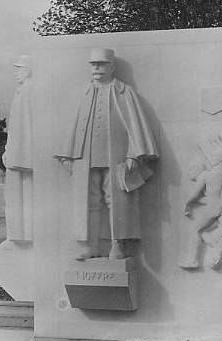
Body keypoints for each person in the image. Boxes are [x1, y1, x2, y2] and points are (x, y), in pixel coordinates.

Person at [55, 48, 159, 260]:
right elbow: (73, 125)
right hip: (87, 156)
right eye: (93, 64)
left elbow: (135, 125)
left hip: (116, 156)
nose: (96, 68)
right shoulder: (84, 92)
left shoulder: (124, 91)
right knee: (89, 201)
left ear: (112, 66)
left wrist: (133, 154)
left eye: (101, 64)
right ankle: (91, 245)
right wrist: (68, 155)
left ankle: (116, 245)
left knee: (116, 200)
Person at [2, 55, 34, 242]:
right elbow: (14, 128)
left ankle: (23, 237)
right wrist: (8, 149)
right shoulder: (21, 92)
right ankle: (18, 236)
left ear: (29, 70)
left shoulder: (31, 92)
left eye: (19, 68)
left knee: (23, 197)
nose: (16, 73)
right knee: (16, 197)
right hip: (17, 154)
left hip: (25, 156)